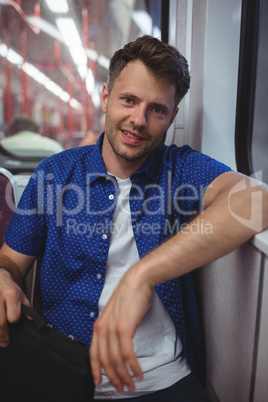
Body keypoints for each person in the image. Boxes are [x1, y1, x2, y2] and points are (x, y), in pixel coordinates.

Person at [0, 35, 267, 401]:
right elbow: (11, 261)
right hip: (61, 369)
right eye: (129, 100)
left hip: (163, 379)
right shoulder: (54, 174)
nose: (138, 120)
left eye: (157, 109)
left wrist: (142, 276)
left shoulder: (181, 168)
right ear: (107, 97)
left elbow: (256, 200)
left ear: (172, 117)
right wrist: (3, 278)